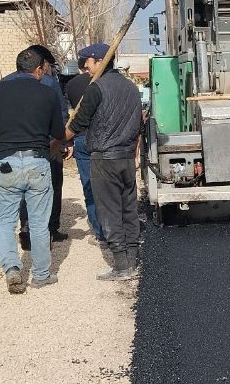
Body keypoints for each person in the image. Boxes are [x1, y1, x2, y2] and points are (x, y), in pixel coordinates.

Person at [0, 47, 64, 291]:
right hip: (37, 162)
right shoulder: (48, 92)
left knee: (4, 220)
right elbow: (58, 131)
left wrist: (1, 134)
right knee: (38, 222)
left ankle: (13, 269)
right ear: (38, 70)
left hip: (6, 163)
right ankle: (42, 274)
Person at [65, 42, 143, 280]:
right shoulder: (131, 87)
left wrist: (60, 139)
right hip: (126, 157)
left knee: (108, 211)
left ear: (99, 61)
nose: (85, 66)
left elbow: (78, 124)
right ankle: (132, 257)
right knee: (128, 208)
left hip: (104, 158)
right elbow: (139, 123)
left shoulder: (95, 88)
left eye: (87, 61)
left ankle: (121, 264)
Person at [19, 43, 69, 249]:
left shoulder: (4, 82)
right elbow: (61, 113)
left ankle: (26, 229)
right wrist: (64, 141)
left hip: (18, 146)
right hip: (49, 144)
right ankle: (51, 229)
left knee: (23, 188)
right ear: (43, 64)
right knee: (53, 185)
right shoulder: (49, 83)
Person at [65, 51, 103, 240]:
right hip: (104, 137)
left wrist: (68, 140)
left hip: (81, 138)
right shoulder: (101, 80)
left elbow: (69, 113)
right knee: (109, 184)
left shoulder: (71, 85)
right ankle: (115, 228)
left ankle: (99, 231)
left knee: (89, 186)